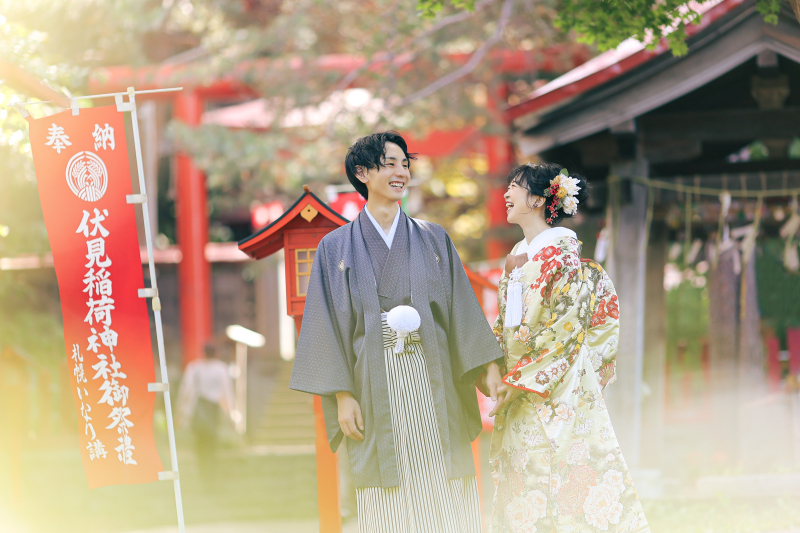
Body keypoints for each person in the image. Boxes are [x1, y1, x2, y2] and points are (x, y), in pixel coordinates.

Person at [290, 131, 504, 533]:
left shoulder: (433, 237)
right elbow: (327, 325)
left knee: (443, 477)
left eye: (405, 164)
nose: (401, 172)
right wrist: (342, 395)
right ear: (362, 173)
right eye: (389, 164)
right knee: (386, 485)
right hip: (372, 382)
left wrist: (487, 365)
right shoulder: (335, 248)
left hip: (433, 374)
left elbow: (461, 308)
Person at [488, 163, 650, 532]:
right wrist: (495, 368)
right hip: (519, 386)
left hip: (556, 386)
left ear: (537, 199)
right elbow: (505, 325)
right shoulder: (519, 254)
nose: (506, 193)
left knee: (562, 478)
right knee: (525, 482)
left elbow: (566, 329)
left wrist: (519, 380)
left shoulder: (562, 256)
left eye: (514, 186)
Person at [177, 342, 234, 486]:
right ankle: (211, 478)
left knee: (200, 447)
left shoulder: (195, 367)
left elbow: (186, 392)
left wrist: (182, 414)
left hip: (199, 412)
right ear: (215, 353)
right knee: (212, 446)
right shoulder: (221, 368)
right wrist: (230, 414)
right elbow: (227, 393)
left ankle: (203, 477)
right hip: (213, 411)